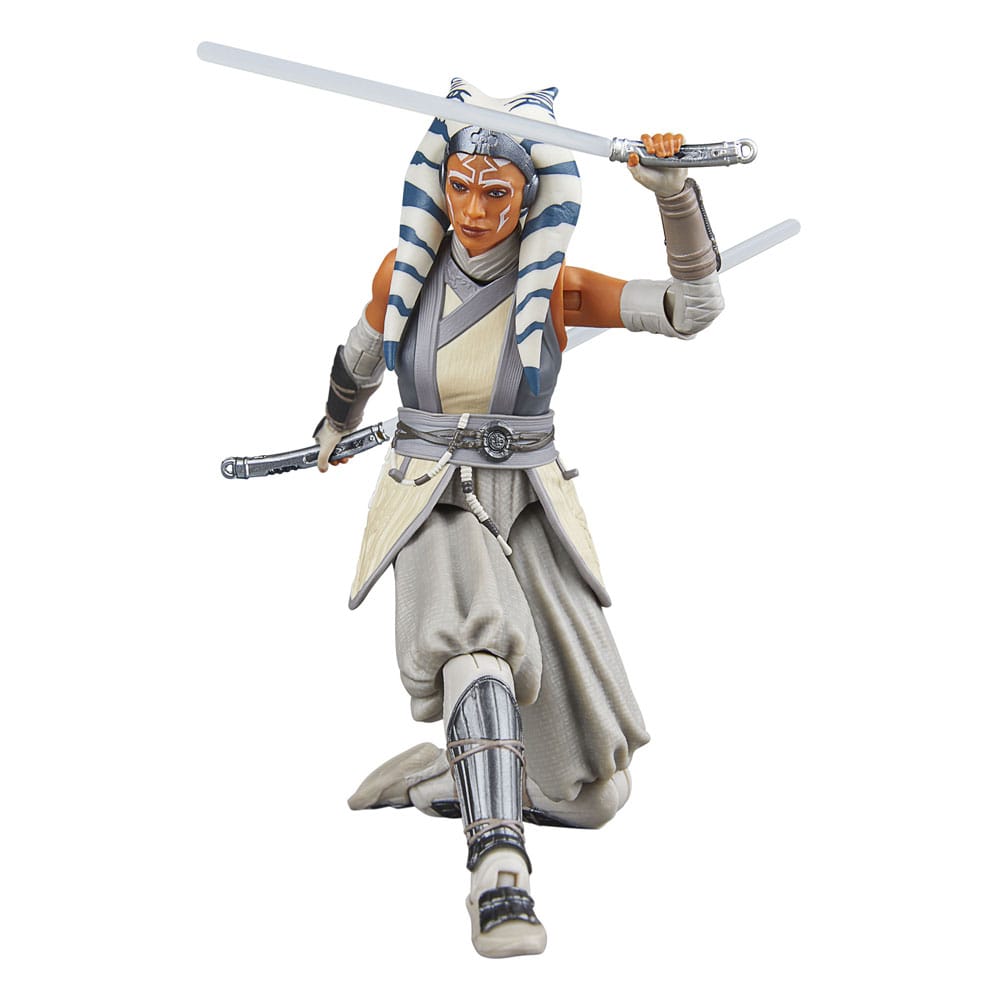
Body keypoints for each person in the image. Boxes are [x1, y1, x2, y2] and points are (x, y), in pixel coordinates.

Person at [313, 80, 724, 958]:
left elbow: (692, 309)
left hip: (530, 495)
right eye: (459, 186)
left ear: (529, 197)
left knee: (597, 795)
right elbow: (360, 356)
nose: (472, 210)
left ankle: (455, 775)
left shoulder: (557, 290)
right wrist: (333, 422)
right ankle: (498, 874)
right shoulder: (404, 274)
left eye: (494, 192)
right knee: (475, 643)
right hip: (434, 489)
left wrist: (674, 196)